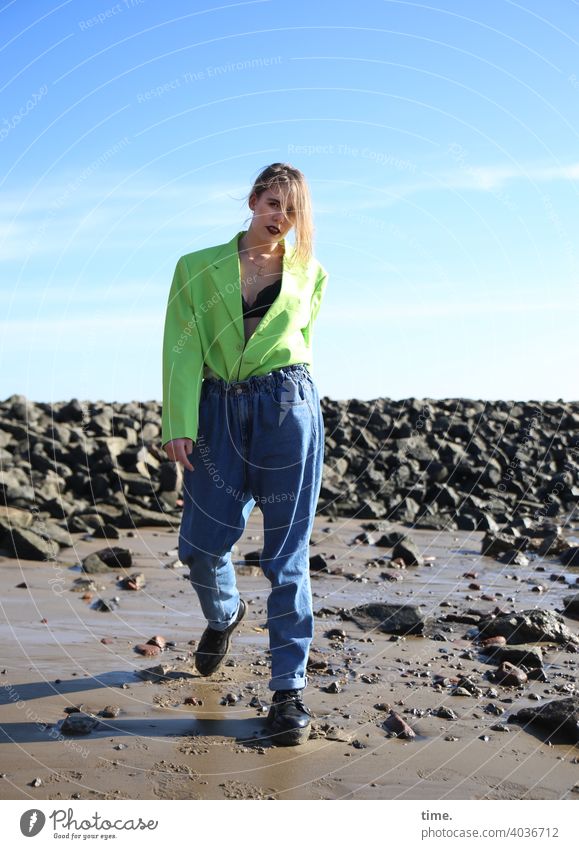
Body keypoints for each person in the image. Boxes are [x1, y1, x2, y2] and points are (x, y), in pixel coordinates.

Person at [161, 162, 329, 746]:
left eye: (292, 209)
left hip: (287, 409)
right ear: (253, 200)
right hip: (217, 412)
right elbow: (180, 349)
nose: (280, 216)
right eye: (273, 202)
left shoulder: (312, 273)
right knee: (201, 546)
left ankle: (288, 691)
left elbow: (302, 344)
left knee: (287, 554)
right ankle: (224, 615)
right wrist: (179, 420)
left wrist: (294, 407)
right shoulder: (195, 267)